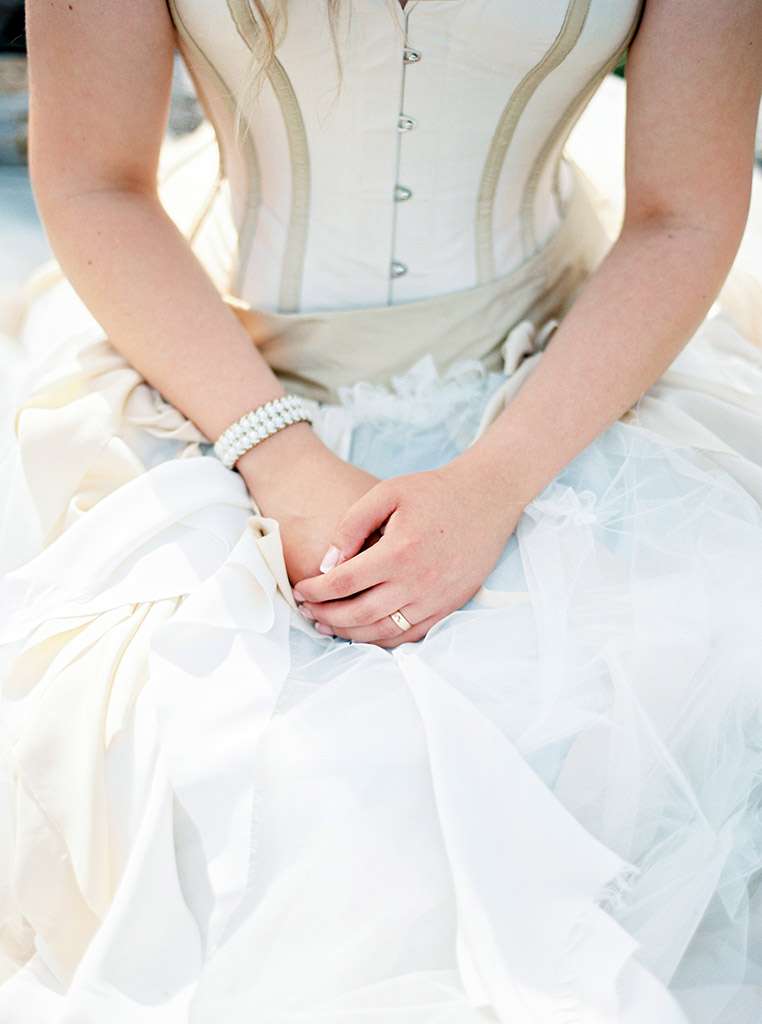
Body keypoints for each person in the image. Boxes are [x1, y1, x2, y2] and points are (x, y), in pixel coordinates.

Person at [0, 0, 761, 1020]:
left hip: (560, 361)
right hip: (215, 359)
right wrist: (278, 455)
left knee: (686, 669)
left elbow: (682, 214)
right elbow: (96, 181)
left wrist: (497, 481)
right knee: (228, 757)